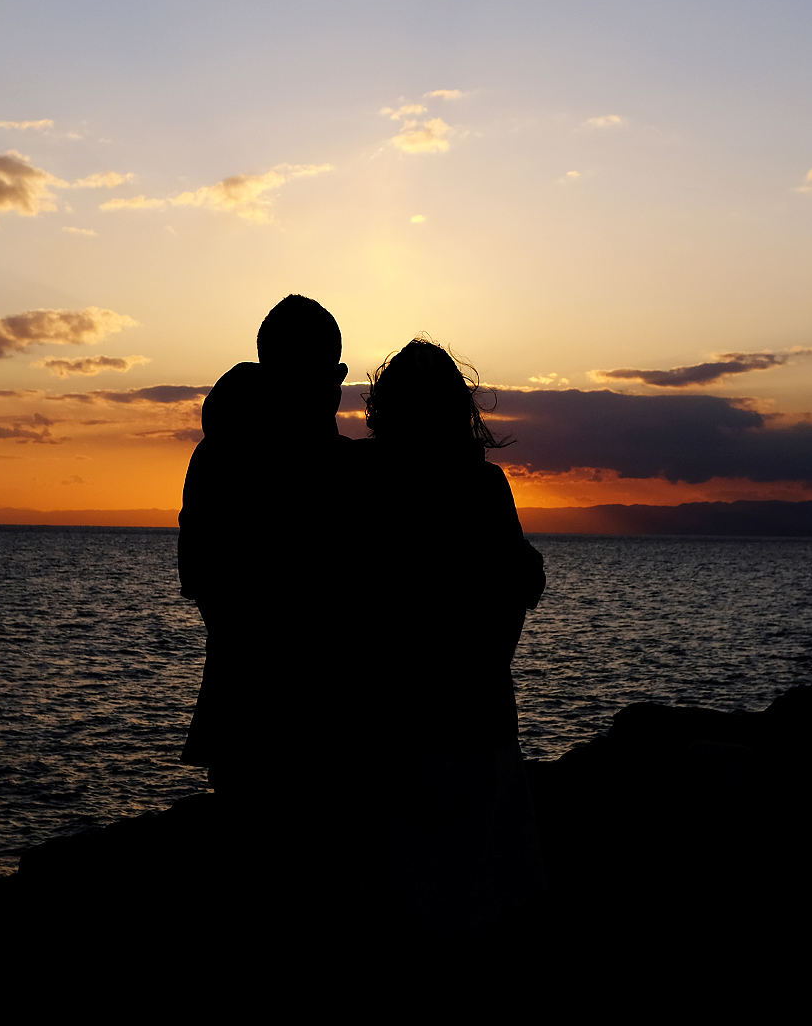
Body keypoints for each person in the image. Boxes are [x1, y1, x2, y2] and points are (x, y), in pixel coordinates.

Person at [353, 337, 548, 930]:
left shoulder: (362, 482)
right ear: (458, 408)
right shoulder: (482, 486)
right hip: (474, 714)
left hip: (390, 719)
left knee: (403, 896)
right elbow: (514, 587)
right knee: (479, 896)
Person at [176, 294, 353, 793]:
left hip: (240, 717)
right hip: (332, 727)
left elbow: (198, 578)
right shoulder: (352, 473)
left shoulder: (214, 462)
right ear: (336, 377)